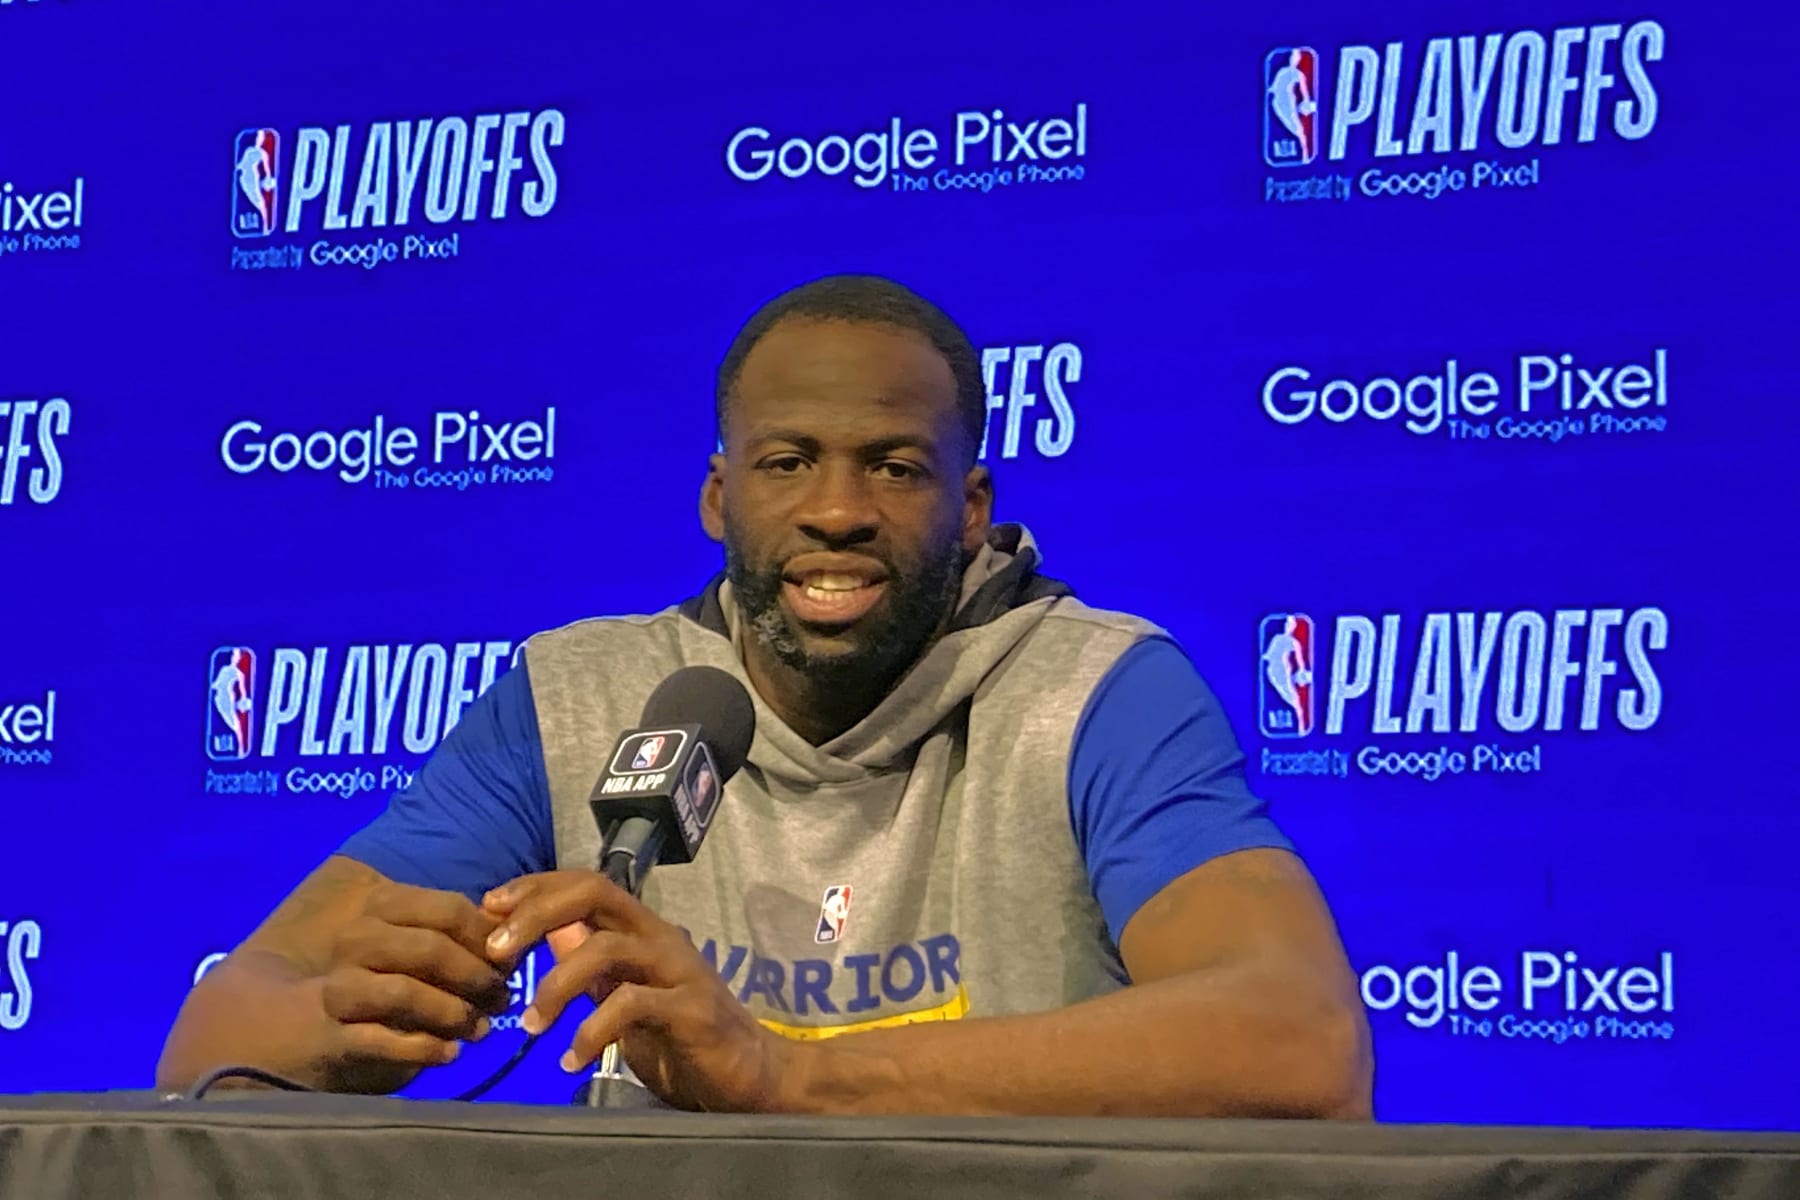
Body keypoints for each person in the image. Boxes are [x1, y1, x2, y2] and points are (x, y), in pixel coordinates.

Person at [158, 275, 1373, 1117]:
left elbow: (1301, 1045)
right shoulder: (578, 696)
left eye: (895, 468)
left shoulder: (1096, 689)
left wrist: (780, 1075)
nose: (837, 510)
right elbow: (216, 1039)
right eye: (787, 463)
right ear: (717, 498)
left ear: (971, 511)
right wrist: (351, 1022)